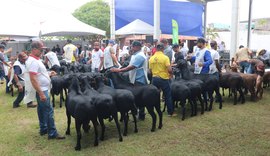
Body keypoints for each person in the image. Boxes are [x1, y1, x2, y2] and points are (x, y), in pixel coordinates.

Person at [25, 41, 65, 140]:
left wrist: (48, 73)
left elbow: (38, 74)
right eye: (41, 49)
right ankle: (52, 133)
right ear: (34, 49)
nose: (42, 51)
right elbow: (33, 78)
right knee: (49, 111)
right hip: (42, 90)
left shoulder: (35, 59)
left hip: (42, 89)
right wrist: (41, 93)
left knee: (41, 109)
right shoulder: (33, 61)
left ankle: (43, 128)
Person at [111, 41, 148, 120]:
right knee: (136, 95)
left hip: (139, 78)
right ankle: (136, 111)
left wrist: (119, 71)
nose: (131, 48)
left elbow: (131, 67)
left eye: (132, 46)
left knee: (140, 96)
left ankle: (141, 114)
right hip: (134, 78)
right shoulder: (135, 55)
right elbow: (129, 65)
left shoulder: (140, 56)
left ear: (137, 47)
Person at [149, 42, 175, 117]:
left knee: (155, 95)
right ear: (163, 49)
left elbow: (150, 71)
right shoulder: (165, 57)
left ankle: (156, 110)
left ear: (156, 49)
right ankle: (170, 112)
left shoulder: (151, 58)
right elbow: (169, 69)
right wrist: (171, 75)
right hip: (163, 78)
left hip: (154, 78)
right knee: (168, 95)